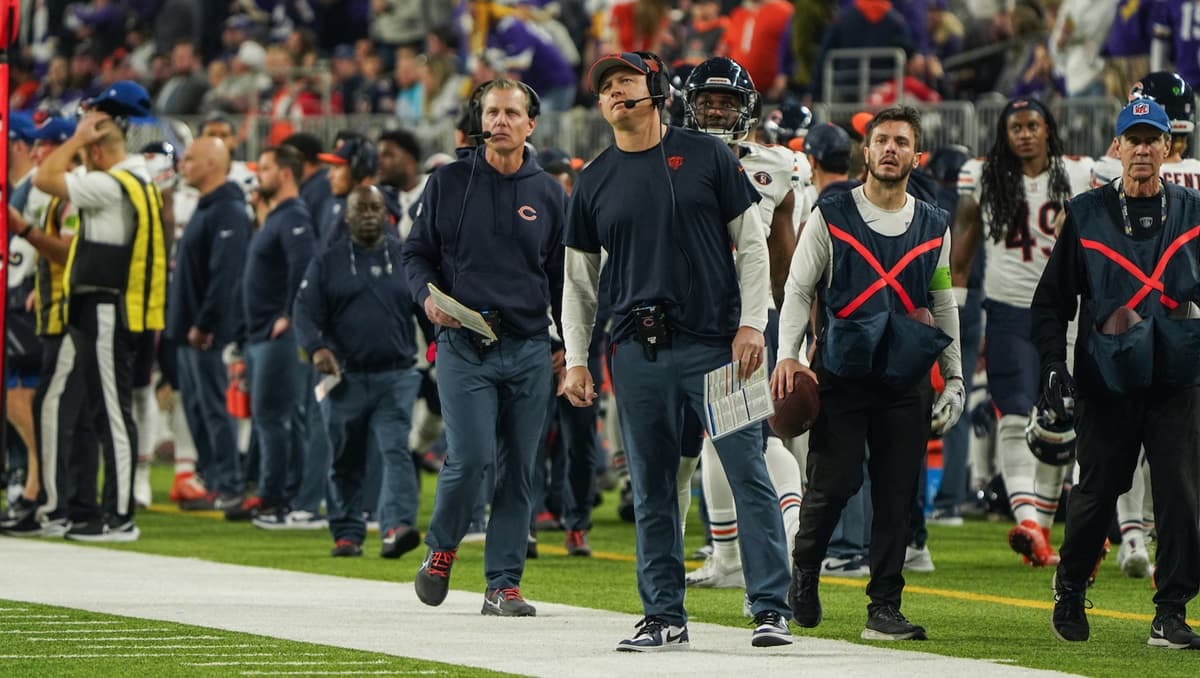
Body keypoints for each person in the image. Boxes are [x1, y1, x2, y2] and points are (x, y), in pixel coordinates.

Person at [561, 51, 793, 650]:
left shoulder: (711, 157)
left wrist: (753, 325)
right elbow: (579, 281)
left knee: (749, 473)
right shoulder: (593, 178)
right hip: (636, 352)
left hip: (721, 347)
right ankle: (663, 615)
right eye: (606, 87)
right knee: (654, 487)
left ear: (657, 89)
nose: (616, 92)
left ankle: (771, 608)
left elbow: (752, 244)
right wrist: (578, 358)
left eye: (626, 81)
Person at [773, 105, 964, 641]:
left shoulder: (935, 224)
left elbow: (942, 301)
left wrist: (954, 377)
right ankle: (805, 571)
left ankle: (884, 607)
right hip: (842, 372)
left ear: (916, 156)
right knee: (833, 484)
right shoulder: (831, 215)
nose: (890, 149)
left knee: (897, 494)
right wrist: (788, 354)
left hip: (904, 376)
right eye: (881, 140)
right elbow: (798, 290)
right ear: (866, 150)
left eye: (901, 142)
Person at [1032, 98, 1200, 649]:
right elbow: (1051, 302)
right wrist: (1052, 364)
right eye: (1135, 139)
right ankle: (1071, 586)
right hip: (1106, 379)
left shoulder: (1194, 212)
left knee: (1181, 495)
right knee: (1097, 492)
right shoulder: (1085, 214)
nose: (1144, 149)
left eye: (1153, 139)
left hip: (1176, 377)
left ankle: (1171, 611)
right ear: (1118, 148)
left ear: (1168, 148)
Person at [403, 78, 565, 617]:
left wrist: (571, 347)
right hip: (463, 342)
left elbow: (563, 279)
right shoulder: (447, 182)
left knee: (520, 469)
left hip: (528, 346)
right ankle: (442, 549)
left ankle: (503, 585)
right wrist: (426, 297)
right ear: (480, 120)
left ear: (530, 123)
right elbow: (415, 254)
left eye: (511, 113)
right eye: (491, 112)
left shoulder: (550, 194)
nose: (499, 121)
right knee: (470, 458)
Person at [675, 57, 806, 603]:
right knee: (683, 452)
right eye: (706, 101)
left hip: (743, 324)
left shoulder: (778, 166)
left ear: (746, 109)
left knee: (750, 437)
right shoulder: (666, 156)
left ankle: (788, 534)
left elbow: (786, 260)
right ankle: (722, 555)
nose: (715, 111)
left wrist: (788, 333)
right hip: (677, 321)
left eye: (726, 102)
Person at [953, 97, 1094, 567]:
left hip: (1065, 310)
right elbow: (960, 256)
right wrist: (952, 314)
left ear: (1048, 128)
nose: (1025, 134)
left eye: (1033, 125)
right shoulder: (982, 174)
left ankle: (1045, 527)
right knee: (1013, 413)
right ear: (1005, 133)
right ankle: (1029, 521)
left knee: (1062, 418)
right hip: (1009, 309)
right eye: (1016, 127)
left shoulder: (1080, 173)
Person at [31, 81, 167, 542]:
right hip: (100, 304)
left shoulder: (113, 184)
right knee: (101, 410)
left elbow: (44, 177)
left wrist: (76, 138)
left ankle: (120, 516)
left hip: (108, 305)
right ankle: (100, 511)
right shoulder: (131, 179)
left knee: (111, 413)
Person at [294, 185, 423, 559]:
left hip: (396, 376)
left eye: (374, 208)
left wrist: (440, 352)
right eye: (360, 208)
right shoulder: (327, 262)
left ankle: (396, 527)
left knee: (395, 450)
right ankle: (347, 533)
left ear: (386, 214)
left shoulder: (405, 258)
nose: (368, 215)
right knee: (344, 458)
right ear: (346, 215)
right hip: (344, 377)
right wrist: (317, 348)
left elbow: (427, 310)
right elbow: (304, 311)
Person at [2, 115, 79, 536]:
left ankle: (43, 490)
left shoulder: (56, 187)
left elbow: (56, 248)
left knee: (30, 397)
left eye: (44, 144)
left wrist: (33, 281)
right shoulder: (32, 186)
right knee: (27, 397)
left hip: (45, 303)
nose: (36, 152)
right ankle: (34, 486)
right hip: (32, 297)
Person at [167, 137, 251, 512]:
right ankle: (215, 480)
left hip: (207, 333)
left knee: (215, 409)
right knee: (198, 410)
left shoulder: (229, 210)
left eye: (190, 158)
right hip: (188, 330)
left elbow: (226, 276)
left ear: (213, 164)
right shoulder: (206, 206)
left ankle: (229, 484)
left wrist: (204, 323)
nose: (183, 164)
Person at [235, 145, 316, 525]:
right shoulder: (275, 217)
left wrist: (288, 315)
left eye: (265, 168)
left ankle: (274, 496)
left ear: (285, 173)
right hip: (262, 335)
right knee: (275, 417)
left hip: (277, 336)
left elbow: (306, 268)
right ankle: (280, 491)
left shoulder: (293, 216)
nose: (259, 176)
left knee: (274, 417)